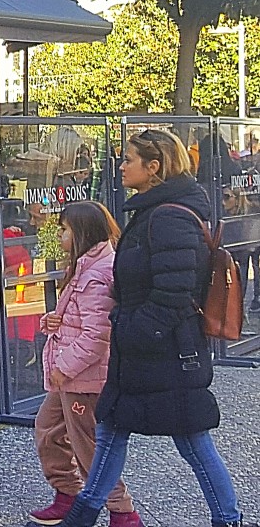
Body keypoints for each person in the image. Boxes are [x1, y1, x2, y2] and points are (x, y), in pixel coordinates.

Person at [58, 129, 248, 527]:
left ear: (154, 167)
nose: (121, 166)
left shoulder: (168, 217)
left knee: (192, 439)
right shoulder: (154, 212)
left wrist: (132, 331)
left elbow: (174, 293)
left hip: (167, 352)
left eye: (128, 160)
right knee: (112, 430)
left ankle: (228, 519)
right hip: (149, 348)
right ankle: (84, 515)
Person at [30, 201, 141, 527]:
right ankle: (68, 495)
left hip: (82, 377)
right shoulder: (86, 266)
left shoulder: (96, 274)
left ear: (82, 233)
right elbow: (83, 320)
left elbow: (97, 336)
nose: (59, 236)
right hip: (70, 376)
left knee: (88, 448)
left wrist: (63, 367)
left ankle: (123, 512)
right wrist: (56, 320)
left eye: (64, 230)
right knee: (49, 430)